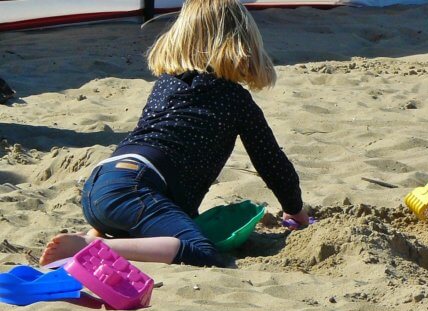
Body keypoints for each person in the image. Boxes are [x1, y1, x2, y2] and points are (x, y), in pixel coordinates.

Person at [39, 0, 309, 268]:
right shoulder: (236, 99)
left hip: (100, 184)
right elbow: (271, 162)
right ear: (243, 44)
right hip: (134, 188)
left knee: (156, 223)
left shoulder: (166, 84)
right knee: (200, 250)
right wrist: (295, 211)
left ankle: (96, 233)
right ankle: (93, 246)